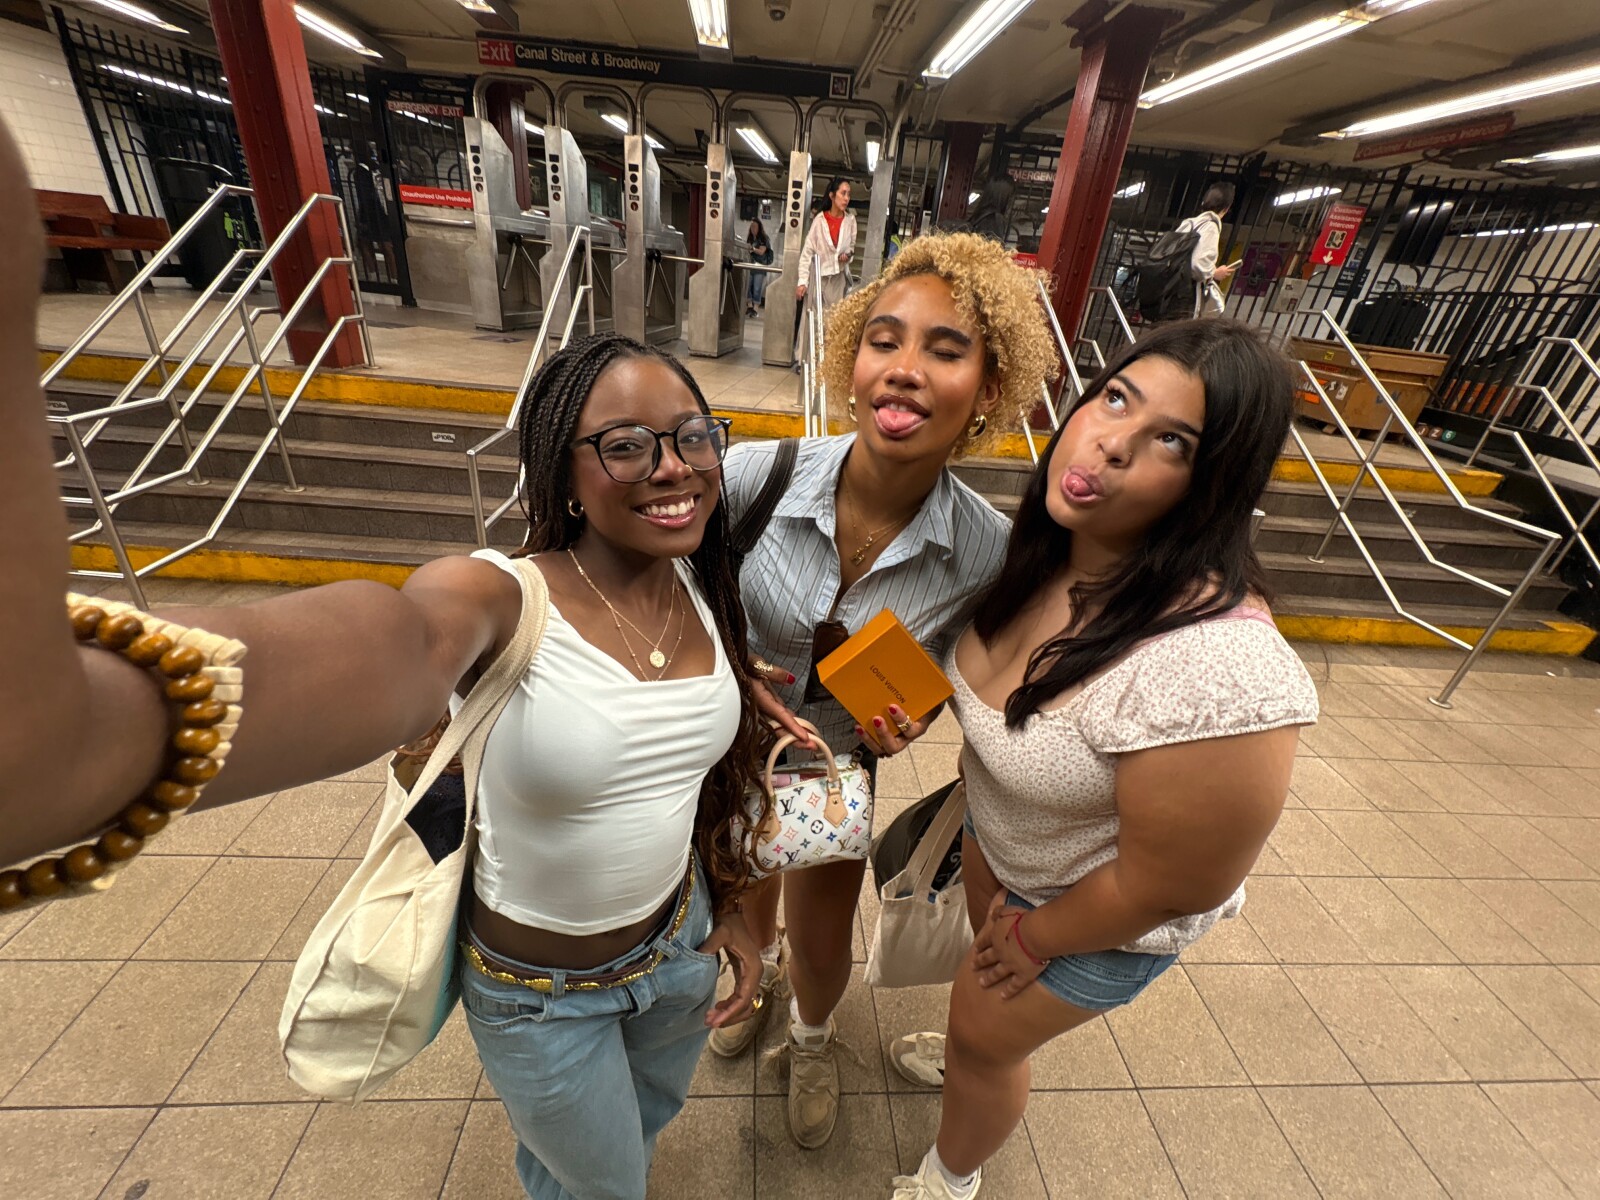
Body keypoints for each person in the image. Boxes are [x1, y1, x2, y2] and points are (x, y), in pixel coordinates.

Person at [0, 113, 766, 1197]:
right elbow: (393, 643)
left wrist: (737, 909)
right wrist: (86, 733)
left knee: (628, 1138)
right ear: (562, 467)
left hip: (676, 952)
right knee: (611, 1185)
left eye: (692, 436)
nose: (674, 467)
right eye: (627, 446)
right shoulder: (498, 597)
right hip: (541, 997)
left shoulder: (701, 584)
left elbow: (696, 780)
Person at [886, 318, 1319, 1199]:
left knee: (982, 1034)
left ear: (1213, 484)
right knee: (982, 1014)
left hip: (1095, 920)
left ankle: (949, 1177)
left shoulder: (1220, 667)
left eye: (1172, 440)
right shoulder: (1046, 551)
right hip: (1006, 855)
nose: (1113, 442)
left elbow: (1176, 885)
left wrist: (1034, 936)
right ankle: (982, 1049)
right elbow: (1005, 708)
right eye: (1116, 399)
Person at [709, 233, 1058, 1152]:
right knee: (744, 888)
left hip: (834, 761)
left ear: (988, 389)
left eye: (945, 351)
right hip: (725, 743)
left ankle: (812, 1038)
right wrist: (720, 670)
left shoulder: (985, 552)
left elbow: (955, 666)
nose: (904, 369)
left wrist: (917, 716)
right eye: (885, 340)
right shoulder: (754, 477)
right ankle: (757, 970)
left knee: (825, 931)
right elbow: (669, 595)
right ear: (853, 359)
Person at [1140, 182, 1238, 328]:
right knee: (1178, 336)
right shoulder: (1210, 227)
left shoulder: (1189, 223)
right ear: (1227, 208)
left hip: (1168, 292)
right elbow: (1198, 266)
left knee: (1162, 333)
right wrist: (1214, 273)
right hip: (1183, 297)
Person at [794, 176, 857, 363]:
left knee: (833, 322)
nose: (846, 198)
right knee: (811, 319)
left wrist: (847, 256)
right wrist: (802, 281)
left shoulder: (850, 221)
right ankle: (804, 360)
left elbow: (851, 248)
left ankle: (827, 363)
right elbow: (807, 252)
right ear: (832, 195)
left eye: (848, 194)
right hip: (818, 278)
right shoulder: (820, 220)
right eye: (843, 193)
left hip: (837, 279)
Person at [746, 217, 773, 318]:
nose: (753, 229)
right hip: (751, 264)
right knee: (747, 285)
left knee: (757, 288)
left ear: (759, 227)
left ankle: (755, 308)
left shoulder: (763, 238)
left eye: (755, 227)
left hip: (760, 266)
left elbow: (761, 252)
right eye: (751, 227)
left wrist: (752, 249)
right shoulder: (750, 238)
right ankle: (749, 305)